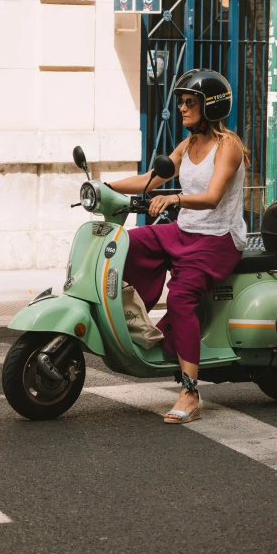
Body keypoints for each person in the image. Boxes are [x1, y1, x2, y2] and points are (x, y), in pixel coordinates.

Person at [108, 69, 250, 424]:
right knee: (121, 246)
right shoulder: (188, 145)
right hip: (185, 230)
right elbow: (150, 179)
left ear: (211, 107)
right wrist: (105, 186)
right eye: (182, 102)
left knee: (181, 297)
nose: (183, 108)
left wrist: (174, 199)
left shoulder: (228, 146)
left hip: (217, 239)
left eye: (191, 102)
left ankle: (190, 391)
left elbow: (213, 196)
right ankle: (136, 321)